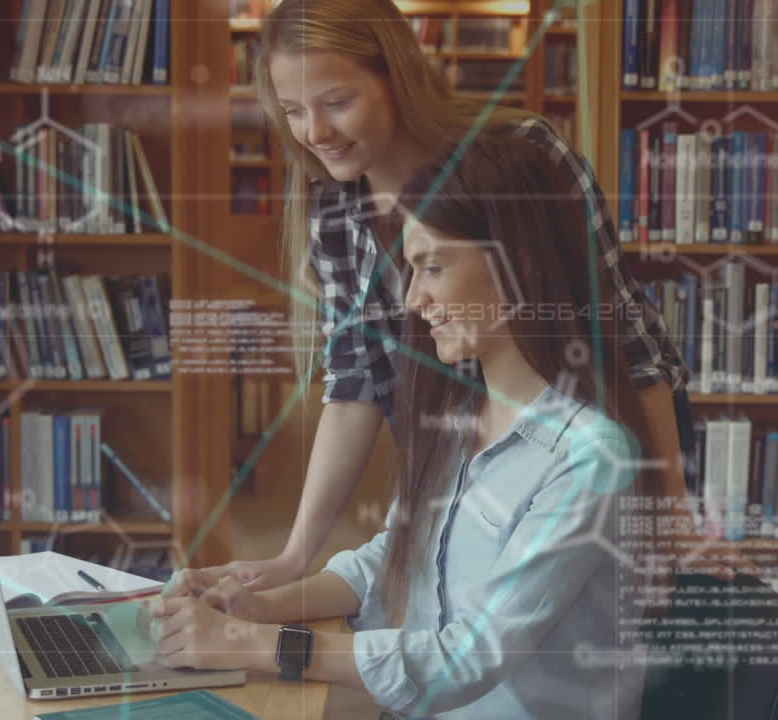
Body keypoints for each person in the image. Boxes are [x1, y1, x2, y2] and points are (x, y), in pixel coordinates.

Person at [207, 0, 740, 590]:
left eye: (337, 102)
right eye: (293, 111)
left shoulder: (523, 155)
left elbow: (626, 346)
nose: (314, 132)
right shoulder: (331, 207)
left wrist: (671, 522)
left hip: (594, 440)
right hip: (465, 450)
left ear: (397, 77)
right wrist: (293, 556)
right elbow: (356, 379)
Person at [146, 130, 652, 720]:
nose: (413, 299)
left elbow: (467, 658)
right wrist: (261, 608)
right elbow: (393, 556)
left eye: (432, 268)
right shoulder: (457, 417)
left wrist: (256, 645)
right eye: (410, 270)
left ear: (520, 265)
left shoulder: (591, 458)